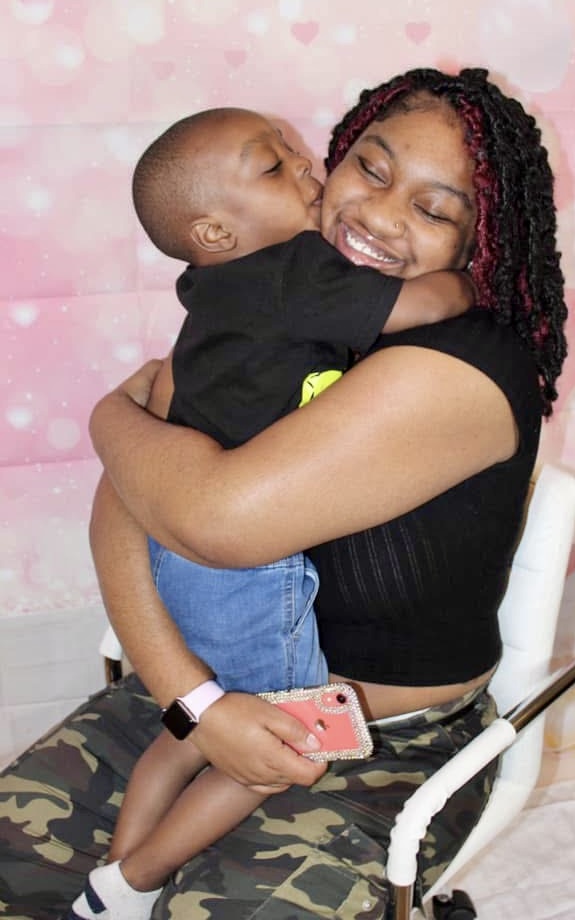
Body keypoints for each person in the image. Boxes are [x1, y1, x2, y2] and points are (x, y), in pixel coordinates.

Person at [86, 67, 567, 919]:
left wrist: (110, 420)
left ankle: (129, 879)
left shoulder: (461, 364)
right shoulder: (280, 293)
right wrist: (193, 702)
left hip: (383, 742)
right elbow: (128, 503)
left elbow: (209, 519)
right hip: (218, 681)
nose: (377, 215)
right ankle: (120, 881)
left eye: (433, 210)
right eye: (370, 170)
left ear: (478, 238)